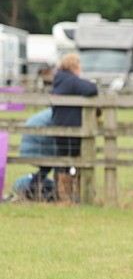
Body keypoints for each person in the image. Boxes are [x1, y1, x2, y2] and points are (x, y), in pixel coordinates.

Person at [49, 53, 99, 201]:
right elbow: (92, 89)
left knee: (64, 162)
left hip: (60, 128)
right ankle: (75, 195)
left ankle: (66, 195)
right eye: (79, 66)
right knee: (76, 161)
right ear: (73, 67)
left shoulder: (59, 80)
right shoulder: (70, 81)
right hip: (70, 129)